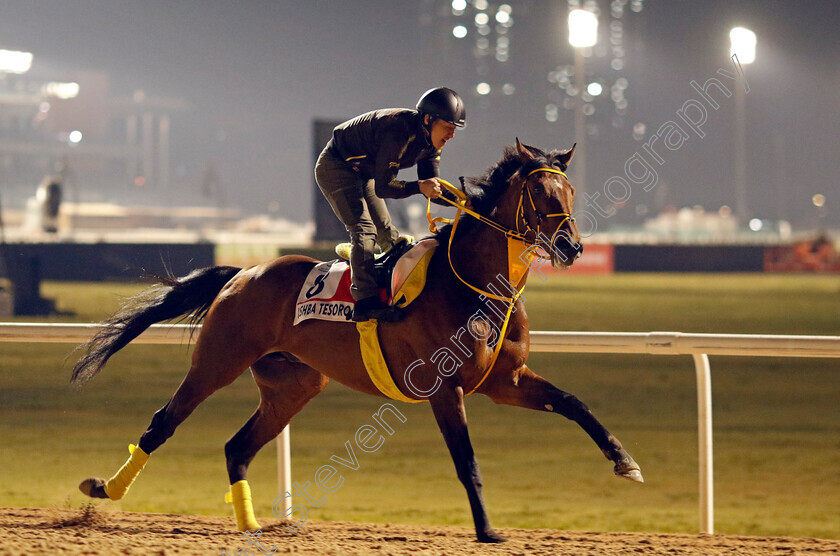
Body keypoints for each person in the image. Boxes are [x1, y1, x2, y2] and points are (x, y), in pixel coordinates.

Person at [315, 87, 466, 322]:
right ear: (428, 119)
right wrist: (420, 186)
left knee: (389, 235)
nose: (452, 136)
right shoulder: (399, 130)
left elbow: (432, 191)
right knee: (365, 230)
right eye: (448, 127)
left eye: (455, 129)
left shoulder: (431, 143)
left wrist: (464, 202)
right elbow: (385, 188)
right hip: (336, 166)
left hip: (363, 173)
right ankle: (365, 302)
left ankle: (389, 284)